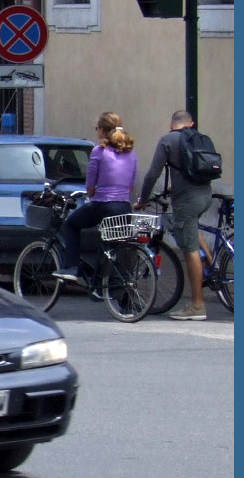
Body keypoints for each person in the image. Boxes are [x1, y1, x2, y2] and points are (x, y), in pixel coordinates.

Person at [134, 109, 213, 320]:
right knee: (191, 229)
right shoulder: (200, 138)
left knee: (189, 250)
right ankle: (211, 264)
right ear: (191, 123)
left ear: (171, 125)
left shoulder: (167, 140)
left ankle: (197, 306)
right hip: (206, 194)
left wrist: (142, 200)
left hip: (187, 200)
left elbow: (152, 174)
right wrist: (172, 187)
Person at [52, 112, 137, 285]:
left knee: (71, 223)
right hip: (124, 206)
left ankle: (71, 267)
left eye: (97, 128)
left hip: (104, 203)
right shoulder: (131, 153)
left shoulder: (99, 151)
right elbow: (131, 185)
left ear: (102, 130)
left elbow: (90, 183)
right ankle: (114, 289)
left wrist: (91, 195)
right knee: (113, 245)